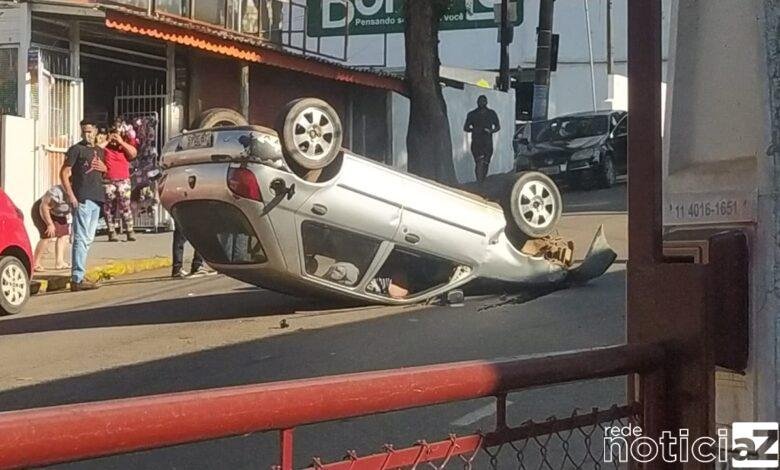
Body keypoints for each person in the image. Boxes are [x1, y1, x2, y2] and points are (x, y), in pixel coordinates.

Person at [61, 119, 107, 291]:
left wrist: (104, 169)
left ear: (95, 131)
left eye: (89, 131)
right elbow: (64, 173)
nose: (86, 134)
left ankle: (80, 274)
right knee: (80, 238)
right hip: (82, 198)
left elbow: (103, 173)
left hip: (96, 198)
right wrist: (71, 195)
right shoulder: (76, 150)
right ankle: (77, 278)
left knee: (88, 238)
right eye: (83, 131)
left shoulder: (98, 151)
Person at [100, 117, 138, 242]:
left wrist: (121, 142)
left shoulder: (125, 144)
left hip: (123, 180)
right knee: (108, 207)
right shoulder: (105, 146)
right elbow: (95, 150)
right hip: (108, 180)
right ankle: (111, 231)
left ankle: (129, 230)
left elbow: (133, 154)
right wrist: (108, 140)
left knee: (125, 206)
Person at [31, 184, 72, 272]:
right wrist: (49, 224)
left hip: (58, 213)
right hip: (41, 210)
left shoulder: (79, 192)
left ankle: (59, 262)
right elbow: (44, 207)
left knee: (64, 234)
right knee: (47, 235)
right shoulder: (56, 192)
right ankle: (35, 264)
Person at [464, 95, 501, 183]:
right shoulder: (472, 114)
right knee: (479, 162)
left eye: (483, 101)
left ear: (486, 102)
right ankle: (479, 181)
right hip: (476, 141)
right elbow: (466, 127)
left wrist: (490, 131)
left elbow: (498, 126)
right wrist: (474, 129)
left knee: (486, 163)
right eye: (480, 101)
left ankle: (483, 180)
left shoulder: (491, 113)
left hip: (487, 142)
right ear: (477, 102)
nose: (481, 103)